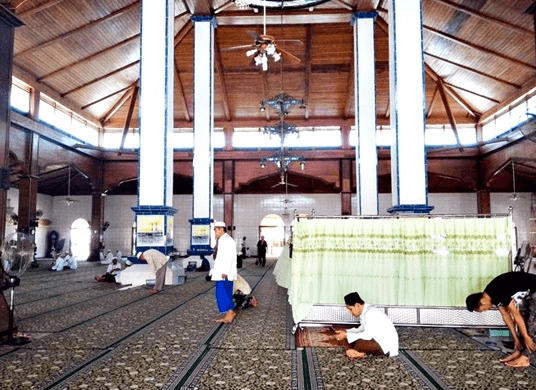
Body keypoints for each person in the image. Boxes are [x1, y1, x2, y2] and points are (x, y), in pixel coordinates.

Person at [466, 271, 536, 367]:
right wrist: (515, 337)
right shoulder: (492, 295)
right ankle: (519, 353)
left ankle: (526, 358)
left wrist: (526, 337)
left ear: (482, 301)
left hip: (534, 290)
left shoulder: (499, 292)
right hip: (530, 294)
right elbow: (506, 316)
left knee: (531, 325)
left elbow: (516, 314)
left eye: (482, 310)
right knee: (523, 326)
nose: (485, 310)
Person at [334, 292, 399, 359]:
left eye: (350, 309)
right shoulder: (366, 312)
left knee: (359, 342)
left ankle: (359, 353)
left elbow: (367, 335)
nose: (350, 312)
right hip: (378, 341)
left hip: (387, 347)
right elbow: (361, 329)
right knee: (353, 339)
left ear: (357, 305)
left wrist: (347, 335)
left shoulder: (370, 313)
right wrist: (346, 332)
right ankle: (358, 352)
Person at [211, 221, 238, 323]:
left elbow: (228, 257)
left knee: (222, 293)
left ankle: (230, 313)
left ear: (221, 229)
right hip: (223, 272)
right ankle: (228, 314)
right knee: (225, 293)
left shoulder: (226, 240)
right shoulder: (224, 239)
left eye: (216, 230)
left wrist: (225, 271)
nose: (215, 233)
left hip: (224, 273)